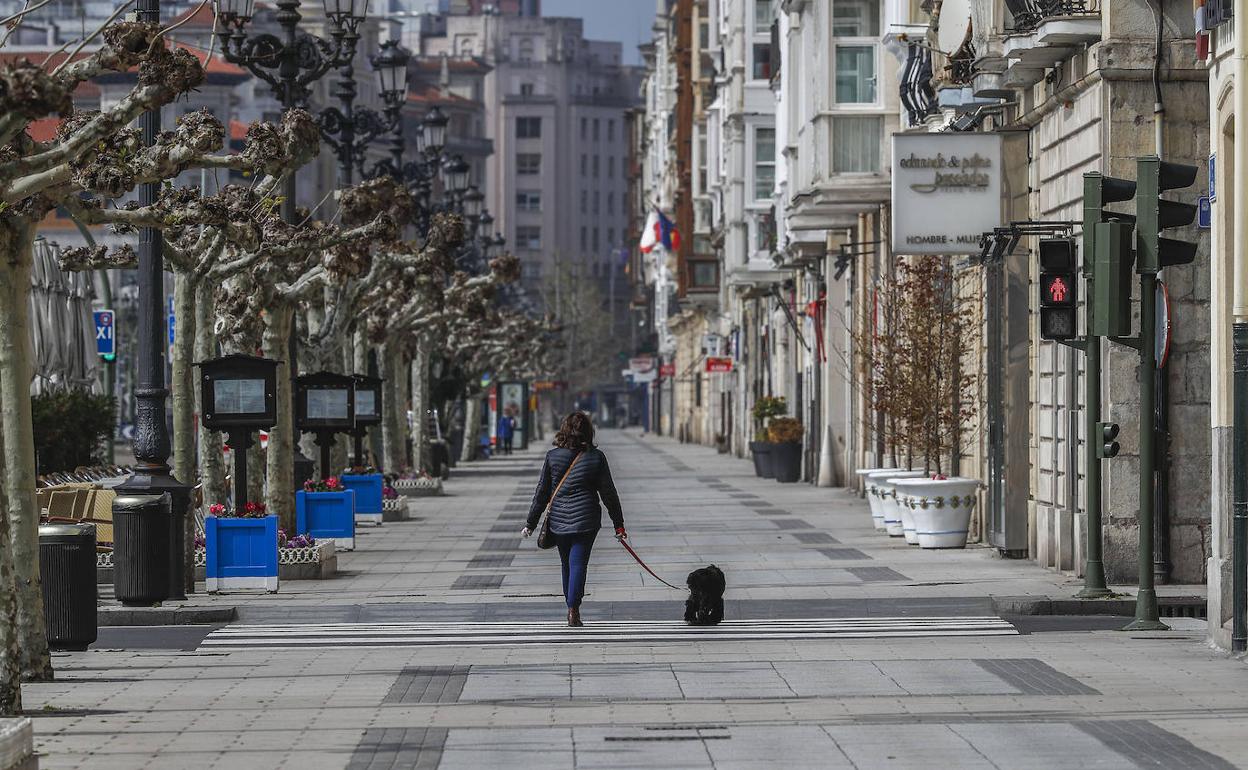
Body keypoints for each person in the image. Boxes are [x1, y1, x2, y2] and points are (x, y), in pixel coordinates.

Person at [522, 412, 626, 626]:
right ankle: (573, 609)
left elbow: (541, 492)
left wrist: (530, 523)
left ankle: (570, 606)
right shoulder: (596, 457)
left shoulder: (553, 456)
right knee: (579, 563)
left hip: (559, 519)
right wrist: (618, 524)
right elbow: (608, 493)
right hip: (586, 518)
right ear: (588, 431)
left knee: (566, 563)